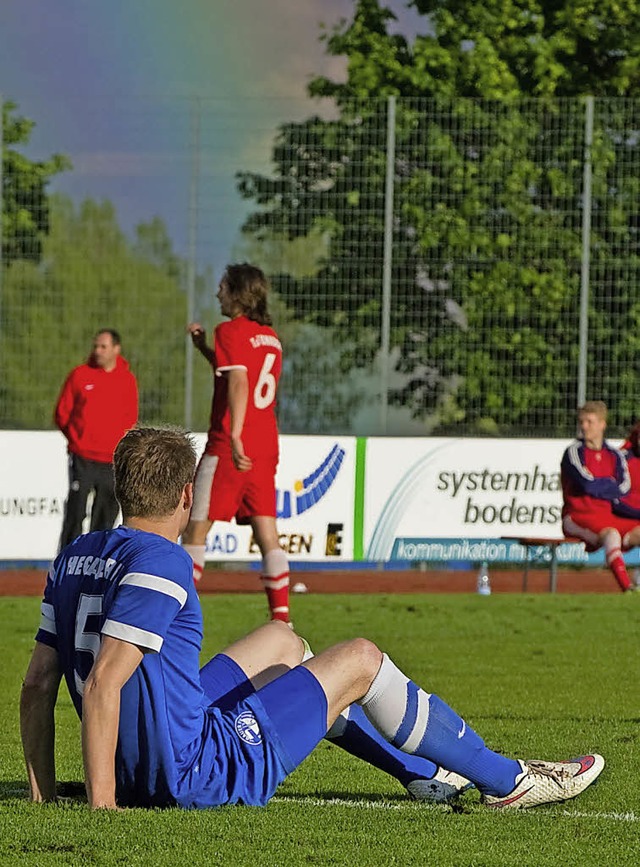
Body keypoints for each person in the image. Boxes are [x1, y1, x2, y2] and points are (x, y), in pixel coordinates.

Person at [20, 427, 604, 812]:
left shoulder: (77, 554)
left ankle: (418, 773)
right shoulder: (163, 560)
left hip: (151, 750)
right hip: (193, 770)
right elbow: (103, 684)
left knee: (283, 642)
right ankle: (509, 779)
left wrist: (44, 797)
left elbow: (37, 685)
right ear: (185, 499)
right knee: (363, 659)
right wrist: (103, 806)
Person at [182, 263, 290, 623]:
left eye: (223, 287)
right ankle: (282, 618)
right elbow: (237, 370)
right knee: (267, 532)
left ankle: (178, 612)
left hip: (231, 447)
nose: (217, 293)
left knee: (195, 527)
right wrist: (203, 349)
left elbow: (240, 382)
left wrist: (234, 435)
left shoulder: (229, 330)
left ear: (238, 293)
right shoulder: (270, 337)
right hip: (265, 446)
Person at [55, 329, 138, 551]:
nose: (98, 351)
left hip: (111, 459)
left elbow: (130, 418)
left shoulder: (127, 380)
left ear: (116, 349)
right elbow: (62, 414)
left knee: (106, 512)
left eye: (103, 347)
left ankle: (97, 559)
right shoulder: (80, 375)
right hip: (82, 457)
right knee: (76, 509)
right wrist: (77, 440)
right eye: (96, 346)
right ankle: (67, 558)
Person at [561, 400, 640, 592]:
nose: (584, 426)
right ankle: (627, 587)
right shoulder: (573, 452)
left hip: (607, 515)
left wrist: (599, 483)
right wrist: (607, 483)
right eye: (582, 422)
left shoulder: (614, 455)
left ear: (602, 424)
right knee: (611, 534)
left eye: (589, 422)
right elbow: (586, 483)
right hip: (578, 516)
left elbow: (623, 488)